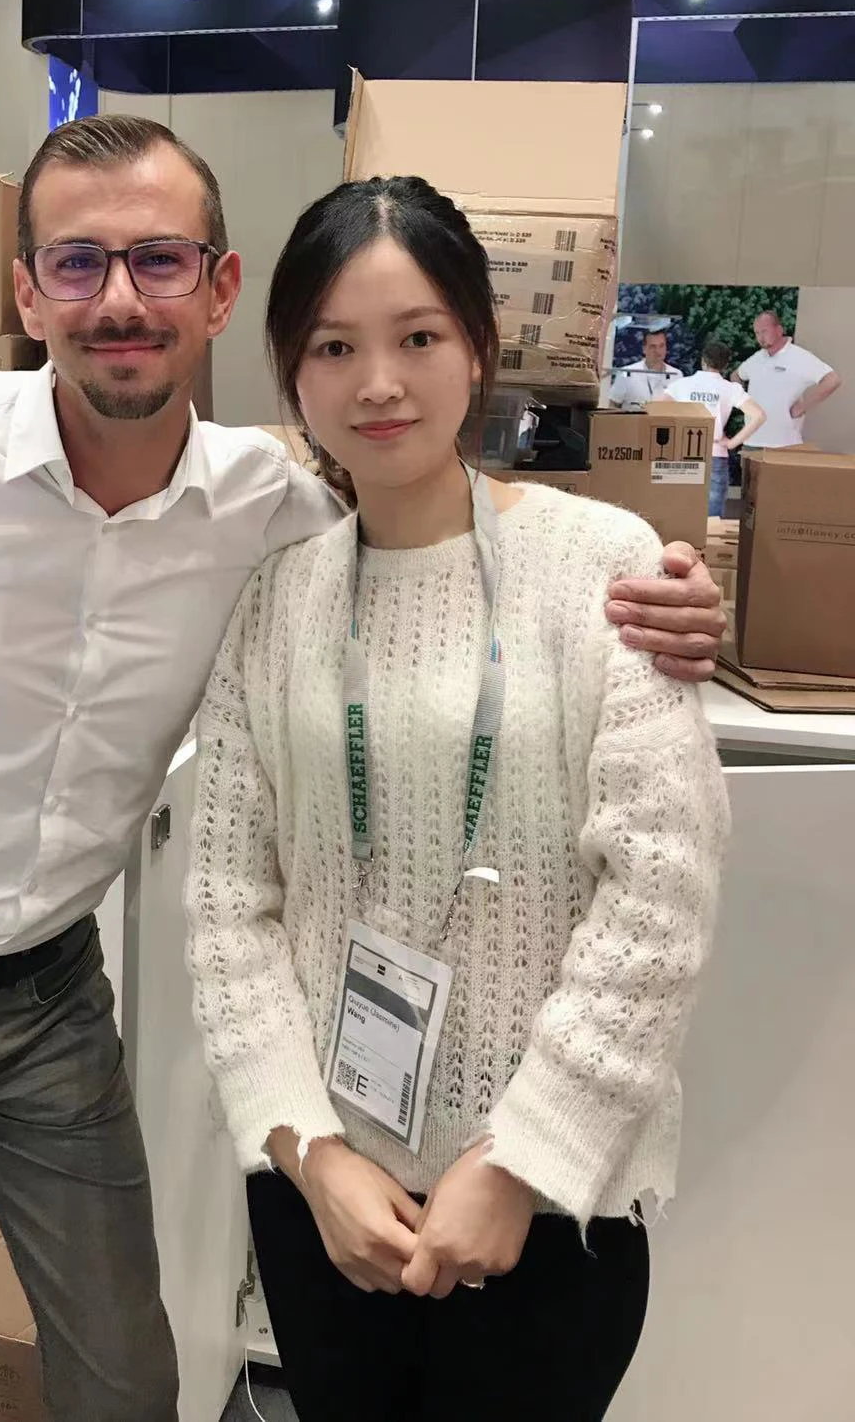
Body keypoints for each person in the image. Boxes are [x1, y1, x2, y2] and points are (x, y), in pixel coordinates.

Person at [0, 119, 725, 1422]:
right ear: (26, 292)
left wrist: (670, 594)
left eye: (159, 258)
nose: (119, 296)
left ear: (219, 291)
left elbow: (436, 526)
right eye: (78, 261)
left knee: (128, 1376)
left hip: (43, 1000)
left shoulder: (267, 514)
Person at [185, 176, 729, 1422]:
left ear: (477, 347)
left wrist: (523, 1156)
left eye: (417, 336)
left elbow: (657, 892)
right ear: (291, 374)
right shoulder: (275, 597)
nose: (377, 383)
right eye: (333, 347)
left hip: (549, 1211)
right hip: (328, 1210)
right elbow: (225, 901)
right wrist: (306, 1149)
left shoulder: (604, 568)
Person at [663, 340, 766, 518]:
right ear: (725, 365)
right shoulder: (730, 389)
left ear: (703, 360)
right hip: (715, 452)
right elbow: (759, 415)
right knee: (712, 519)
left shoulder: (682, 384)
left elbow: (656, 408)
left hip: (682, 452)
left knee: (679, 514)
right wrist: (733, 443)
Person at [733, 311, 842, 449]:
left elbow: (832, 380)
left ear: (779, 330)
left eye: (764, 331)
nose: (760, 337)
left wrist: (802, 407)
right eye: (757, 333)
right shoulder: (756, 359)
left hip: (784, 444)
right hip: (751, 442)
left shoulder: (799, 357)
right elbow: (736, 375)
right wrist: (743, 401)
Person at [609, 327, 682, 409]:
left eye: (661, 346)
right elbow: (613, 404)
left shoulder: (676, 375)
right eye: (653, 347)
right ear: (644, 349)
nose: (657, 351)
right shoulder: (627, 373)